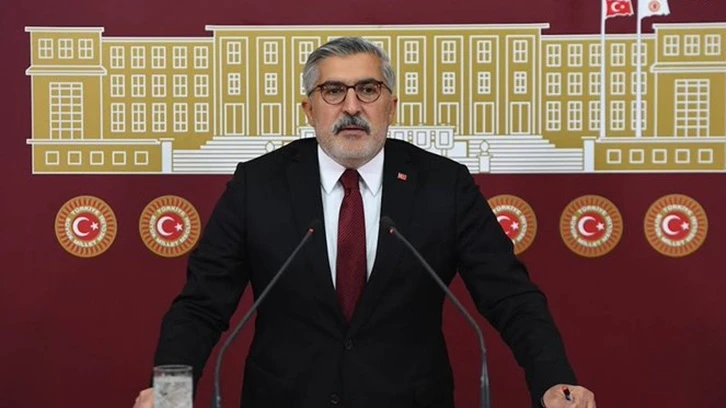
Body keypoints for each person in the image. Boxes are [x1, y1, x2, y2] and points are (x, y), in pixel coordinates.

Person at [134, 37, 596, 408]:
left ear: (390, 106)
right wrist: (170, 395)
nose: (351, 106)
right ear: (309, 109)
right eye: (333, 91)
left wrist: (554, 382)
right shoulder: (258, 184)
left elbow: (511, 297)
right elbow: (202, 305)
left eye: (368, 90)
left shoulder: (444, 185)